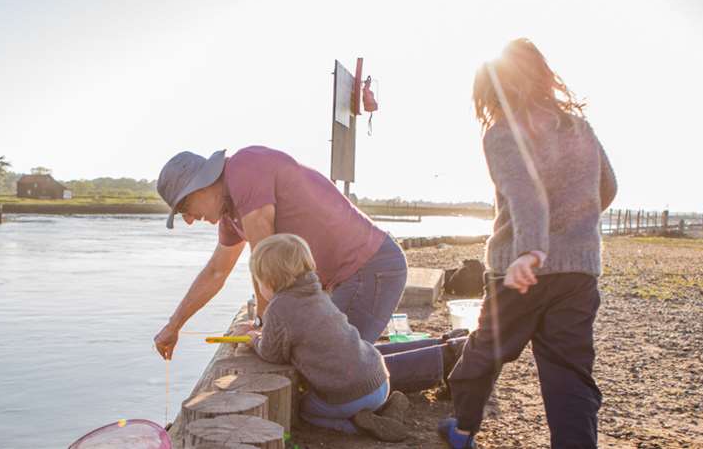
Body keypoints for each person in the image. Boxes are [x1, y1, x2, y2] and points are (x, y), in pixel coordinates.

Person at [439, 39, 617, 448]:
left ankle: (462, 430)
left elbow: (524, 193)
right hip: (577, 271)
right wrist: (573, 227)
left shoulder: (501, 132)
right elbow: (606, 188)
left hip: (517, 271)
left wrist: (532, 250)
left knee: (484, 351)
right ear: (543, 77)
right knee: (569, 373)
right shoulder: (579, 127)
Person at [152, 146, 406, 360]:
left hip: (371, 267)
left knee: (332, 362)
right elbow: (216, 272)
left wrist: (264, 327)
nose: (188, 220)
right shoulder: (230, 216)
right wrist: (174, 326)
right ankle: (439, 351)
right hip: (343, 280)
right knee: (331, 358)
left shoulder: (244, 168)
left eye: (184, 207)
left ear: (201, 185)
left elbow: (266, 259)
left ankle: (440, 357)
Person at [232, 233, 408, 441]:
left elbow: (272, 354)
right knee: (353, 396)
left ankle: (356, 426)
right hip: (379, 380)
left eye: (258, 281)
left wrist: (253, 339)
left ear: (269, 282)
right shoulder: (318, 294)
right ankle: (384, 410)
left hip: (350, 395)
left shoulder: (279, 307)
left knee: (306, 410)